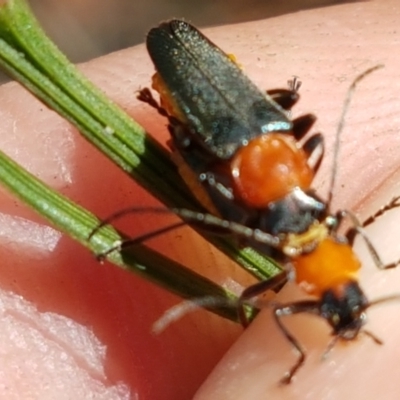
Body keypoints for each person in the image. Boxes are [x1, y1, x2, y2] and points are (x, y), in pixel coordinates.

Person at [0, 0, 399, 398]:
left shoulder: (300, 205)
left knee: (233, 164)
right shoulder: (290, 213)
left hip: (254, 131)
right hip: (233, 124)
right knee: (216, 170)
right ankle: (177, 121)